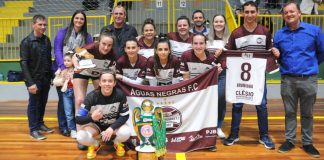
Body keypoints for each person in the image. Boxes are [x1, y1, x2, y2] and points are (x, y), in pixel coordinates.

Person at [220, 1, 277, 149]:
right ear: (242, 13)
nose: (250, 15)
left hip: (258, 78)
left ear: (257, 13)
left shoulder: (265, 31)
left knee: (262, 105)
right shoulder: (236, 33)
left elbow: (270, 52)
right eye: (247, 12)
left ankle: (264, 136)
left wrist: (274, 53)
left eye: (252, 12)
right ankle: (234, 134)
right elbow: (228, 53)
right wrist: (221, 54)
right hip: (240, 77)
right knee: (237, 104)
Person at [274, 2, 324, 158]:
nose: (289, 14)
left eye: (292, 11)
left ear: (299, 13)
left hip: (308, 79)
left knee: (307, 113)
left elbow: (322, 52)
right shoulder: (279, 34)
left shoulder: (314, 31)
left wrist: (310, 66)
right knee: (289, 113)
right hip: (287, 80)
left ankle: (307, 143)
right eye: (286, 12)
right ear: (283, 15)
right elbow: (278, 56)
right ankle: (290, 140)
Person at [72, 31, 117, 150]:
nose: (106, 47)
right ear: (98, 42)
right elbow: (74, 56)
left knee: (104, 99)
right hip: (82, 71)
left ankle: (104, 131)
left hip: (97, 73)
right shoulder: (90, 47)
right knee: (80, 100)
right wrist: (76, 66)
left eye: (109, 45)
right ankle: (80, 134)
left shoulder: (112, 54)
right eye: (103, 44)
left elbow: (112, 70)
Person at [53, 10, 93, 137]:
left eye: (82, 19)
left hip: (78, 72)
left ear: (84, 21)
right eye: (77, 18)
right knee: (63, 100)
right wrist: (63, 67)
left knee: (77, 100)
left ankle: (76, 126)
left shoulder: (87, 36)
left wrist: (77, 66)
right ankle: (63, 126)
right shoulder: (63, 32)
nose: (79, 21)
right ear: (73, 19)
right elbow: (58, 50)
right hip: (63, 70)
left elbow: (89, 54)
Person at [76, 71, 131, 159]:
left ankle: (116, 143)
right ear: (100, 83)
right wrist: (91, 117)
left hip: (113, 125)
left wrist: (112, 128)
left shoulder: (120, 95)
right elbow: (78, 119)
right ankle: (95, 144)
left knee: (126, 132)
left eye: (110, 81)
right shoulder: (91, 97)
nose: (107, 84)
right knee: (80, 137)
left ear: (114, 83)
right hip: (96, 126)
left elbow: (125, 116)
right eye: (104, 81)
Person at [20, 14, 53, 140]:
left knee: (43, 103)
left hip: (45, 78)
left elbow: (48, 59)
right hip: (33, 80)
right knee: (33, 104)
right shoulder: (26, 42)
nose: (43, 27)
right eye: (40, 24)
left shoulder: (46, 40)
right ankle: (33, 129)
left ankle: (39, 123)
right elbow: (24, 63)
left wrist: (50, 76)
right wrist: (30, 83)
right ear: (33, 25)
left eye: (44, 25)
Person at [207, 14, 230, 139]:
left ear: (225, 23)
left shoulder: (230, 39)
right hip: (208, 74)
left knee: (220, 99)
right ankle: (207, 125)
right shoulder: (207, 38)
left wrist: (222, 66)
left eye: (221, 21)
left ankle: (218, 126)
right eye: (216, 21)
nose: (219, 24)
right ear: (213, 23)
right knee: (208, 99)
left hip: (224, 73)